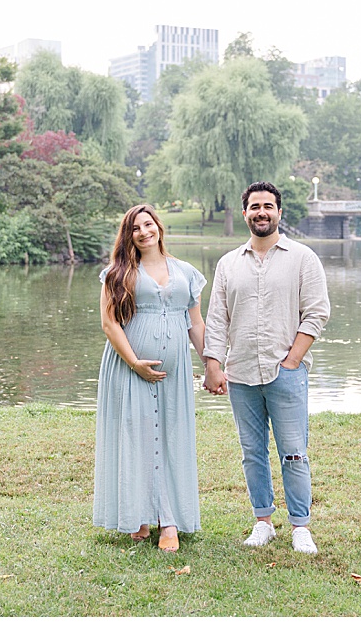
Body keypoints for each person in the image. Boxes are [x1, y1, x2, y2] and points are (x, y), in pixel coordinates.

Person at [203, 181, 330, 555]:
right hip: (240, 373)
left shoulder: (302, 258)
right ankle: (263, 522)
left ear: (278, 212)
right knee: (252, 451)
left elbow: (317, 311)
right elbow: (216, 318)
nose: (261, 212)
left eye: (268, 206)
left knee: (293, 452)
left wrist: (292, 359)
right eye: (254, 206)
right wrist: (213, 363)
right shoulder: (228, 264)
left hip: (285, 372)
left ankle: (300, 526)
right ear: (245, 213)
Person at [94, 204, 207, 553]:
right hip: (128, 369)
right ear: (128, 236)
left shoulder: (186, 272)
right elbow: (109, 323)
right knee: (134, 437)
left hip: (174, 376)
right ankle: (138, 515)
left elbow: (196, 324)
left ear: (159, 226)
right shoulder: (117, 273)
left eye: (148, 224)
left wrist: (212, 365)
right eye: (135, 229)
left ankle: (169, 521)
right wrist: (134, 362)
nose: (144, 232)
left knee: (173, 437)